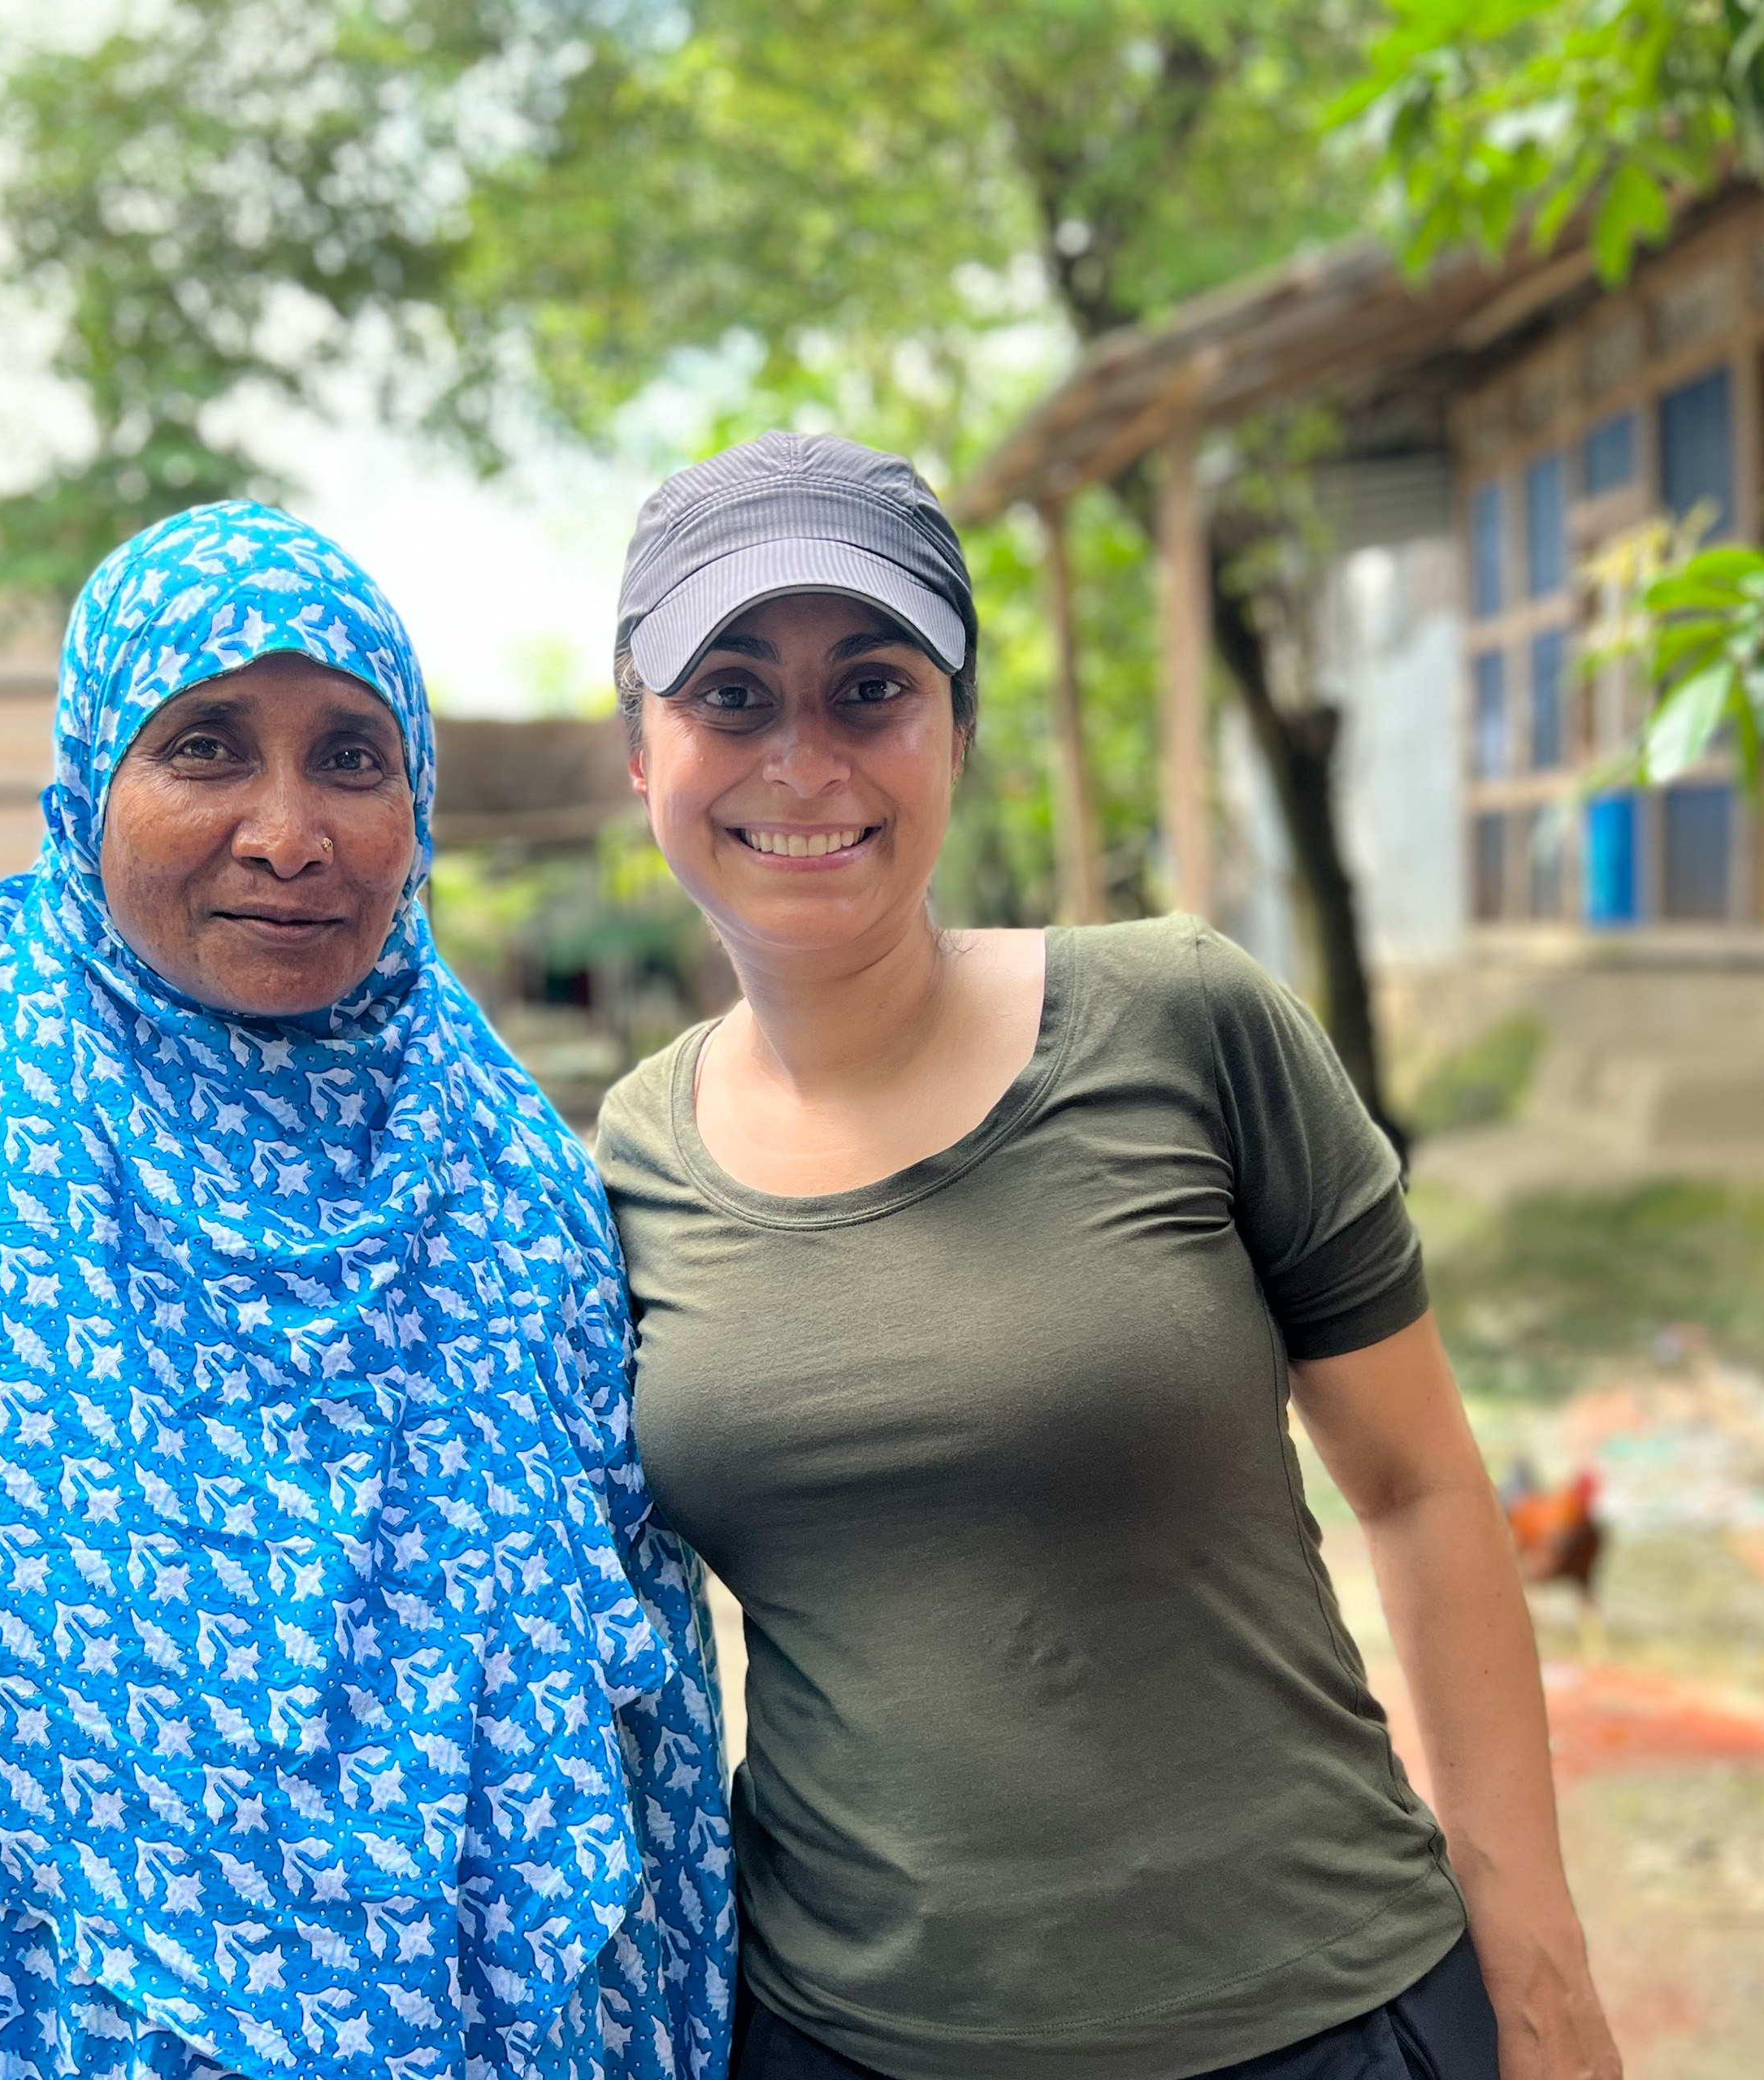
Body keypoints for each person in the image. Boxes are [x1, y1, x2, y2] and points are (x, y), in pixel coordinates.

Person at [595, 433, 1622, 2080]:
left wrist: (1544, 1969)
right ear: (639, 753)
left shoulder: (1184, 1019)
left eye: (871, 688)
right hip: (845, 2039)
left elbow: (1424, 1486)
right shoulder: (624, 1160)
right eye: (728, 693)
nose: (802, 758)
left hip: (1316, 2019)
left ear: (956, 734)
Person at [0, 505, 735, 2080]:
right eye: (208, 746)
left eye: (354, 757)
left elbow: (643, 1723)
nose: (291, 831)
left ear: (418, 803)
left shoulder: (513, 1189)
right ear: (92, 777)